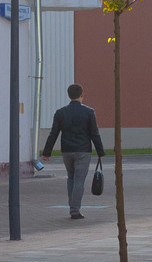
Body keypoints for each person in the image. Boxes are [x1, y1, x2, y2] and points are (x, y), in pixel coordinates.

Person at [39, 83, 104, 221]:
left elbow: (53, 133)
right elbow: (94, 134)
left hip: (67, 151)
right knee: (79, 180)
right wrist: (100, 152)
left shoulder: (60, 112)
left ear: (69, 95)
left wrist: (47, 152)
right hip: (83, 151)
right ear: (82, 94)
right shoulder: (89, 112)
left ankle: (72, 207)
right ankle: (75, 211)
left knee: (71, 178)